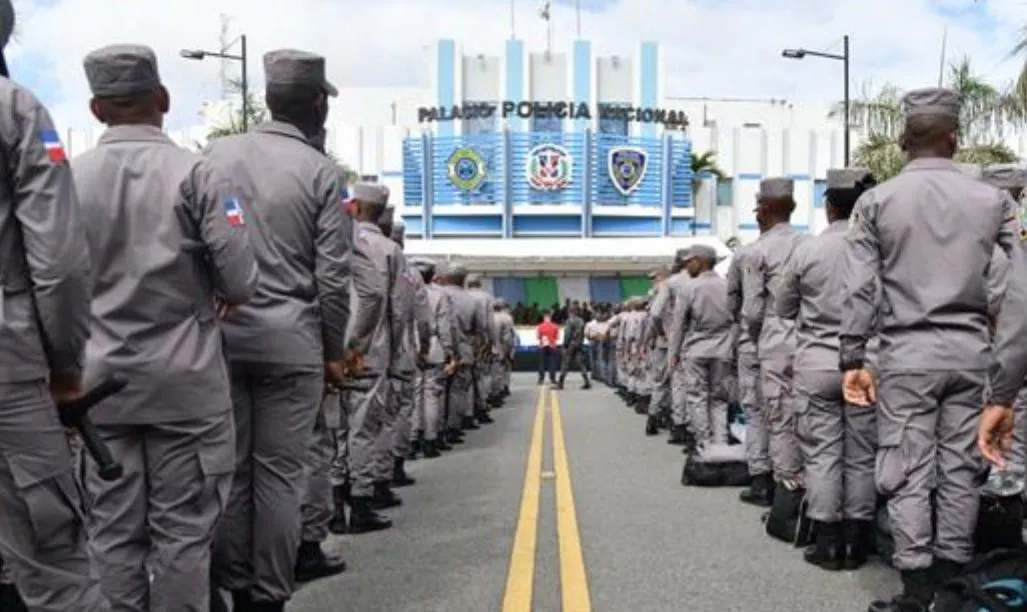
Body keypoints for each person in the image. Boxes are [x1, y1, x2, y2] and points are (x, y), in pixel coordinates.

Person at [72, 43, 260, 612]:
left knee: (112, 535)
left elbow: (47, 278)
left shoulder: (66, 180)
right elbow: (241, 277)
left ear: (96, 109)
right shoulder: (199, 174)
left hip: (98, 387)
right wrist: (220, 292)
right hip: (185, 385)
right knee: (182, 536)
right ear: (164, 99)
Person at [840, 88, 1024, 611]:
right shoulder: (997, 203)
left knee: (908, 469)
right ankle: (953, 588)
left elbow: (858, 289)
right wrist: (1006, 381)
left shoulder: (876, 202)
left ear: (903, 140)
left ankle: (916, 592)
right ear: (954, 137)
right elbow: (1015, 295)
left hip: (906, 355)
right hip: (973, 354)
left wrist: (854, 358)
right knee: (963, 470)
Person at [206, 49, 353, 611]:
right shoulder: (320, 171)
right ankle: (266, 597)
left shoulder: (215, 156)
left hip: (220, 340)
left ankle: (232, 585)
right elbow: (333, 279)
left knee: (229, 473)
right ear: (317, 104)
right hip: (291, 342)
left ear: (269, 99)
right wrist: (333, 352)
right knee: (278, 479)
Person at [0, 3, 108, 609]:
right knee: (54, 555)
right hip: (9, 362)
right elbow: (59, 259)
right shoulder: (17, 109)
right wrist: (66, 366)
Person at [776, 167, 879, 572]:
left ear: (829, 207)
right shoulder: (879, 249)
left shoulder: (806, 251)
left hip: (818, 363)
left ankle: (828, 542)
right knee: (861, 454)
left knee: (822, 454)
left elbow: (783, 307)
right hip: (868, 363)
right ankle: (858, 541)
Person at [332, 182, 403, 530]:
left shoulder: (330, 237)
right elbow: (398, 308)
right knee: (363, 427)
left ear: (355, 208)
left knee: (333, 430)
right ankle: (360, 503)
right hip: (369, 350)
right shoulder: (389, 250)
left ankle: (331, 507)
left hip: (328, 348)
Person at [741, 177, 807, 513]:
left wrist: (756, 339)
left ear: (764, 210)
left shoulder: (757, 251)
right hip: (811, 341)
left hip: (775, 342)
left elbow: (752, 311)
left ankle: (786, 498)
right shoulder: (808, 243)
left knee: (779, 417)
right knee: (809, 418)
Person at [667, 245, 735, 448]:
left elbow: (678, 324)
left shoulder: (688, 288)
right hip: (724, 349)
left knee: (697, 397)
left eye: (690, 261)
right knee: (720, 400)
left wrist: (674, 353)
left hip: (696, 350)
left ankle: (704, 445)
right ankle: (721, 445)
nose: (687, 265)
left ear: (702, 261)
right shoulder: (728, 286)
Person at [728, 240, 772, 506]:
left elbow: (739, 305)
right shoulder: (805, 245)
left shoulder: (746, 253)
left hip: (755, 343)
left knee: (755, 411)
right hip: (795, 343)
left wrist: (751, 335)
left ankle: (761, 482)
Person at [408, 256, 454, 459]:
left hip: (408, 346)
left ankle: (410, 440)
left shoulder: (404, 290)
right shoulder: (439, 295)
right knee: (432, 397)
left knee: (412, 397)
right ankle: (430, 440)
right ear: (431, 275)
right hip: (433, 347)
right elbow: (444, 326)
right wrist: (449, 351)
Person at [438, 263, 484, 438]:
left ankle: (435, 430)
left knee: (438, 391)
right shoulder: (470, 300)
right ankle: (453, 427)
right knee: (459, 390)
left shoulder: (437, 293)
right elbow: (478, 327)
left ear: (447, 277)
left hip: (440, 347)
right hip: (465, 347)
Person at [465, 274, 496, 423]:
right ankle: (481, 408)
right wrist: (491, 342)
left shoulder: (463, 295)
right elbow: (490, 323)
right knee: (480, 376)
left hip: (463, 340)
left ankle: (467, 412)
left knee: (466, 379)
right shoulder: (486, 298)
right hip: (479, 340)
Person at [554, 304, 590, 390]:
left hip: (570, 344)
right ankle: (587, 382)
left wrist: (565, 344)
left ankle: (560, 383)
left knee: (565, 363)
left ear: (570, 311)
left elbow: (567, 333)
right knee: (580, 363)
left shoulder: (569, 321)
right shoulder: (581, 321)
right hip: (579, 344)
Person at [535, 312, 560, 385]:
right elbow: (557, 337)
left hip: (542, 346)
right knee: (552, 363)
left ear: (544, 318)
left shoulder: (540, 326)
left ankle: (541, 379)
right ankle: (553, 379)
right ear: (550, 318)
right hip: (552, 346)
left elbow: (538, 337)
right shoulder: (555, 326)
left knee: (541, 363)